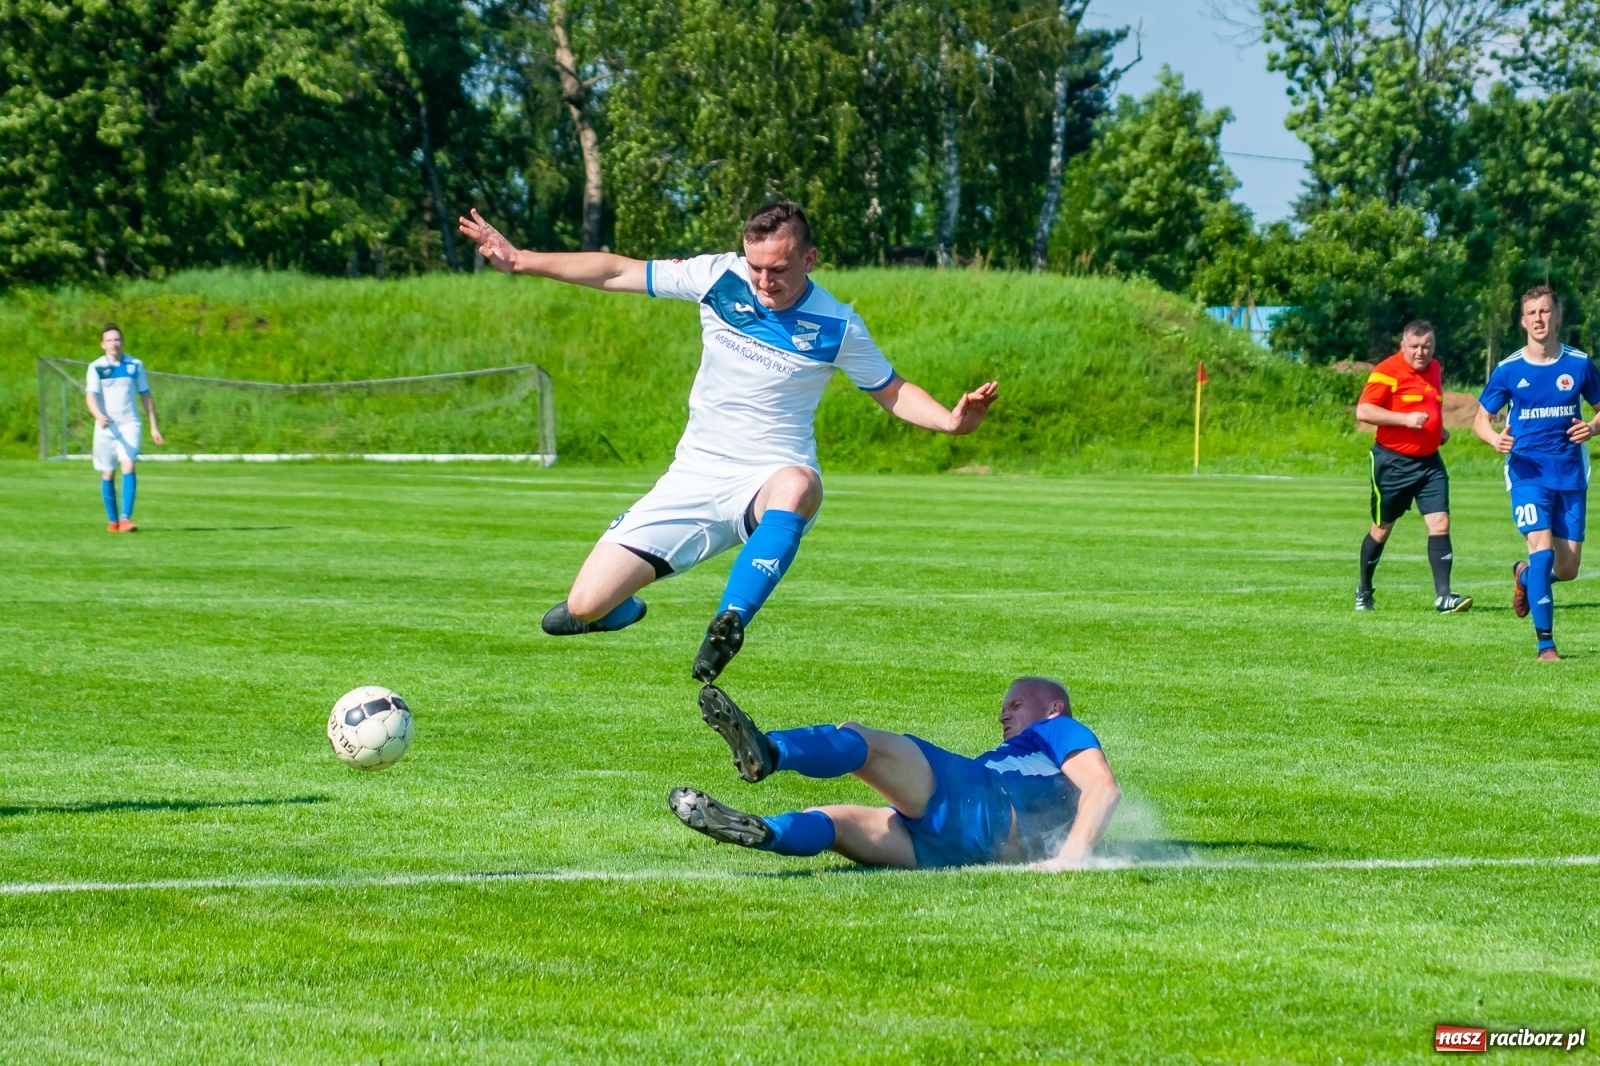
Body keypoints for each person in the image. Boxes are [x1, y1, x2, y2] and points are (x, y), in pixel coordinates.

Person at [457, 202, 997, 683]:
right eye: (756, 265)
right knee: (583, 604)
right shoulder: (718, 276)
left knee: (799, 483)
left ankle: (731, 620)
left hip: (767, 478)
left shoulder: (838, 326)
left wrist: (951, 423)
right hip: (692, 477)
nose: (764, 280)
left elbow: (893, 390)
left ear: (809, 260)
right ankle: (614, 608)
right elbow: (618, 269)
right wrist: (522, 258)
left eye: (778, 269)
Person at [669, 678, 1121, 871]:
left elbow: (1103, 787)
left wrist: (1074, 856)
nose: (1004, 714)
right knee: (836, 822)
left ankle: (771, 752)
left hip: (980, 804)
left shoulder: (1057, 728)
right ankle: (764, 831)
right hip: (959, 851)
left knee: (865, 743)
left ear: (1053, 707)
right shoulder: (1018, 759)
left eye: (1016, 704)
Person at [1474, 285, 1600, 660]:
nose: (1539, 319)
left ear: (1557, 316)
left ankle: (1525, 578)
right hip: (1527, 472)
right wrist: (1494, 439)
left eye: (1546, 311)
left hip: (1570, 474)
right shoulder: (1509, 369)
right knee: (1541, 550)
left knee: (1569, 567)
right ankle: (1546, 644)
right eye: (1532, 313)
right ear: (1523, 321)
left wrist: (1593, 427)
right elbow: (1481, 420)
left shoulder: (1579, 364)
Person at [1354, 321, 1471, 613]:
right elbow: (1364, 410)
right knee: (1381, 530)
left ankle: (1444, 597)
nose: (1421, 352)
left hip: (1429, 462)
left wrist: (1438, 430)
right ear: (1403, 346)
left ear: (1434, 346)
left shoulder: (1435, 368)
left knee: (1440, 522)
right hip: (1392, 462)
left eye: (1427, 346)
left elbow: (1432, 404)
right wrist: (1405, 420)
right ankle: (1364, 589)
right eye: (1415, 347)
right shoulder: (1386, 371)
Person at [85, 324, 163, 532]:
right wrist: (98, 415)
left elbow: (145, 395)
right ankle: (113, 521)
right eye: (109, 340)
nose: (114, 344)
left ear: (123, 342)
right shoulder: (96, 367)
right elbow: (91, 396)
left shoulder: (135, 365)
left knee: (128, 465)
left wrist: (154, 427)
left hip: (130, 424)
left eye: (117, 339)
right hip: (106, 427)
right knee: (108, 473)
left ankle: (126, 518)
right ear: (103, 344)